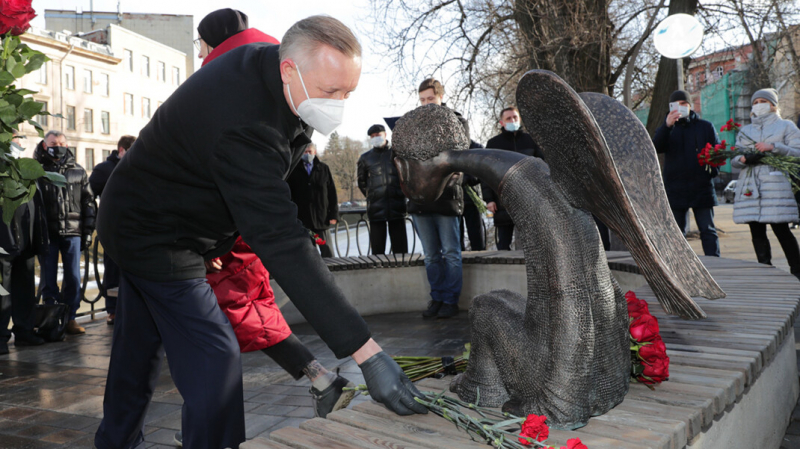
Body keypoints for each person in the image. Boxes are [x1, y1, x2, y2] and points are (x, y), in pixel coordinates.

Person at [93, 15, 425, 449]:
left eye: (348, 92)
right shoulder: (246, 121)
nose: (339, 104)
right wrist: (366, 353)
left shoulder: (284, 81)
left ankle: (115, 442)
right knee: (215, 356)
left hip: (161, 219)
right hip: (152, 232)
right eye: (331, 92)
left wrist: (218, 240)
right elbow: (282, 239)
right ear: (289, 68)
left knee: (137, 350)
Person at [731, 88, 800, 280]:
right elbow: (734, 159)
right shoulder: (746, 131)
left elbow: (797, 152)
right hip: (751, 187)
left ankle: (797, 270)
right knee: (756, 231)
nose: (758, 105)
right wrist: (744, 159)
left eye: (763, 101)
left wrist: (774, 147)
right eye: (755, 102)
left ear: (772, 105)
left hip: (775, 186)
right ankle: (765, 270)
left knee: (782, 230)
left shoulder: (785, 126)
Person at [411, 78, 465, 319]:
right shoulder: (412, 124)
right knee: (431, 255)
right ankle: (437, 297)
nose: (425, 104)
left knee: (451, 253)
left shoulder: (456, 121)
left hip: (446, 197)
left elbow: (461, 157)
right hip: (420, 200)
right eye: (422, 100)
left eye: (430, 99)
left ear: (441, 97)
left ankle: (451, 300)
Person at [34, 131, 96, 335]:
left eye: (61, 143)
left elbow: (88, 202)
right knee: (48, 278)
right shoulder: (37, 171)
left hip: (73, 232)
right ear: (45, 145)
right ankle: (51, 320)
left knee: (73, 277)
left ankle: (70, 318)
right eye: (53, 143)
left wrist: (88, 231)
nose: (57, 146)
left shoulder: (77, 170)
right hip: (47, 232)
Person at [653, 90, 721, 257]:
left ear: (690, 106)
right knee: (677, 233)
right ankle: (682, 266)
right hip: (676, 187)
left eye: (684, 104)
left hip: (702, 187)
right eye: (676, 105)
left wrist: (711, 172)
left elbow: (718, 153)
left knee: (707, 229)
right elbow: (656, 147)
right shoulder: (667, 127)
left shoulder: (705, 126)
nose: (681, 108)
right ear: (670, 107)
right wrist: (667, 126)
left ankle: (715, 263)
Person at [0, 132, 49, 354]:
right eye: (14, 140)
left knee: (25, 288)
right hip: (4, 241)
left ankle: (25, 331)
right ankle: (1, 337)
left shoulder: (26, 169)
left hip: (26, 242)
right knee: (3, 292)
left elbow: (36, 204)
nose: (18, 144)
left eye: (19, 140)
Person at [89, 135, 136, 325]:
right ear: (121, 150)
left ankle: (131, 308)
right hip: (112, 229)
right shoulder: (104, 169)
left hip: (135, 229)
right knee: (112, 271)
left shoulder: (139, 166)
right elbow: (88, 196)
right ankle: (113, 310)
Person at [484, 106, 544, 250]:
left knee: (533, 243)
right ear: (502, 123)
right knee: (503, 243)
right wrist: (489, 199)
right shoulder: (493, 144)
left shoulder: (531, 140)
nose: (513, 120)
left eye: (515, 117)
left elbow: (543, 168)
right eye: (508, 118)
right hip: (503, 200)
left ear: (520, 118)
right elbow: (486, 173)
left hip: (529, 198)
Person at [357, 124, 408, 254]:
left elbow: (406, 175)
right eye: (372, 136)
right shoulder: (365, 158)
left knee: (400, 248)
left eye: (378, 135)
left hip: (397, 205)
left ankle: (401, 271)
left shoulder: (397, 153)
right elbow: (361, 181)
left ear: (385, 135)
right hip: (376, 207)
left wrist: (401, 193)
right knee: (378, 250)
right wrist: (372, 195)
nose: (375, 138)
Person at [287, 143, 339, 257]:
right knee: (309, 253)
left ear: (314, 152)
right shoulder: (294, 170)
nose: (307, 154)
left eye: (309, 152)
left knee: (326, 249)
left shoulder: (323, 168)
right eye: (305, 152)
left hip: (321, 220)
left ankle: (331, 272)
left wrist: (334, 214)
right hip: (304, 220)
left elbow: (332, 193)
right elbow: (289, 194)